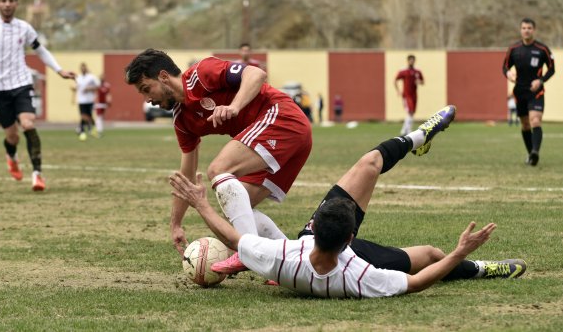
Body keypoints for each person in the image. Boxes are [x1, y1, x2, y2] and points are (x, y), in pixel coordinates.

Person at [170, 105, 528, 299]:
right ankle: (484, 268)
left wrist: (202, 206)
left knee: (368, 165)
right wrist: (460, 253)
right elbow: (418, 283)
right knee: (433, 255)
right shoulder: (359, 276)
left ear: (312, 227)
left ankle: (420, 136)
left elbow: (235, 239)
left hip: (299, 256)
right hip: (357, 257)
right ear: (350, 239)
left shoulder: (284, 258)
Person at [124, 49, 312, 271]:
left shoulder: (201, 74)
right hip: (291, 136)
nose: (148, 99)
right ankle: (293, 263)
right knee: (238, 204)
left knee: (219, 170)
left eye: (147, 89)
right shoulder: (182, 119)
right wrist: (175, 224)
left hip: (281, 116)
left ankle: (247, 252)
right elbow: (187, 176)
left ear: (164, 77)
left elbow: (256, 74)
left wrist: (234, 106)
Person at [0, 0, 75, 191]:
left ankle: (37, 175)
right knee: (12, 137)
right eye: (3, 1)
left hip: (22, 83)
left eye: (11, 1)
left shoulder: (24, 27)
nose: (7, 4)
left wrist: (59, 70)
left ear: (17, 4)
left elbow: (40, 50)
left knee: (28, 124)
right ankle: (12, 157)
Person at [503, 18, 555, 166]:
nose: (526, 30)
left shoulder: (542, 49)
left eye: (529, 28)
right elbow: (505, 67)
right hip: (519, 92)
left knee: (535, 120)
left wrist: (541, 80)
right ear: (521, 30)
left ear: (534, 30)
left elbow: (552, 69)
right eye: (524, 28)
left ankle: (535, 152)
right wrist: (509, 74)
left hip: (536, 92)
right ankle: (531, 155)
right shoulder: (513, 49)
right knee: (525, 125)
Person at [395, 54, 424, 135]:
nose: (412, 61)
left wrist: (419, 82)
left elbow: (422, 81)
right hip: (406, 95)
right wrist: (398, 90)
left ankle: (404, 130)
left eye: (413, 60)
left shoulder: (417, 71)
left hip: (414, 95)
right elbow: (395, 80)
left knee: (412, 112)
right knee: (410, 111)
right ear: (407, 61)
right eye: (410, 60)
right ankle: (408, 130)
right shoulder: (403, 71)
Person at [73, 62, 100, 141]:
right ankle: (82, 131)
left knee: (89, 116)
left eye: (84, 67)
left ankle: (89, 129)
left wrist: (90, 88)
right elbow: (76, 87)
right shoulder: (78, 78)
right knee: (83, 116)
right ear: (80, 69)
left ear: (86, 68)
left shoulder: (91, 77)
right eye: (82, 68)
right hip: (81, 101)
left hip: (90, 100)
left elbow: (98, 86)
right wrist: (73, 89)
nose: (83, 69)